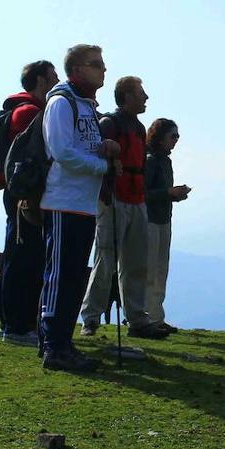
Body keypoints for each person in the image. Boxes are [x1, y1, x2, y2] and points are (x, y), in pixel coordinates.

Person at [38, 44, 120, 372]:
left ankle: (61, 342)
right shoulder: (62, 103)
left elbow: (80, 147)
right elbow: (62, 151)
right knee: (60, 276)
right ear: (76, 70)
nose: (103, 70)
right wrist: (103, 168)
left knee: (74, 278)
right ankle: (54, 346)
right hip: (63, 202)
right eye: (96, 64)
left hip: (83, 204)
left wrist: (103, 147)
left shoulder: (86, 107)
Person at [79, 76, 168, 339]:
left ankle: (137, 320)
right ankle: (91, 318)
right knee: (105, 260)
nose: (146, 98)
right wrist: (106, 190)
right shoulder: (110, 123)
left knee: (136, 262)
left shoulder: (138, 128)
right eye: (141, 93)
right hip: (114, 198)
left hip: (135, 199)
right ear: (127, 96)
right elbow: (98, 157)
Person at [0, 60, 59, 347]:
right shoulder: (30, 113)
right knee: (23, 259)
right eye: (53, 76)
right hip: (25, 196)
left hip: (21, 193)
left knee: (21, 257)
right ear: (41, 81)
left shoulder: (22, 110)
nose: (57, 80)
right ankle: (16, 327)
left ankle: (15, 324)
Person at [143, 118, 192, 331]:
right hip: (150, 221)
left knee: (161, 269)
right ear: (160, 137)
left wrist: (173, 195)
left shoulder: (165, 161)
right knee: (150, 270)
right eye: (173, 136)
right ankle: (146, 317)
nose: (176, 140)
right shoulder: (151, 161)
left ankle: (156, 317)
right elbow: (142, 194)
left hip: (163, 219)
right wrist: (168, 193)